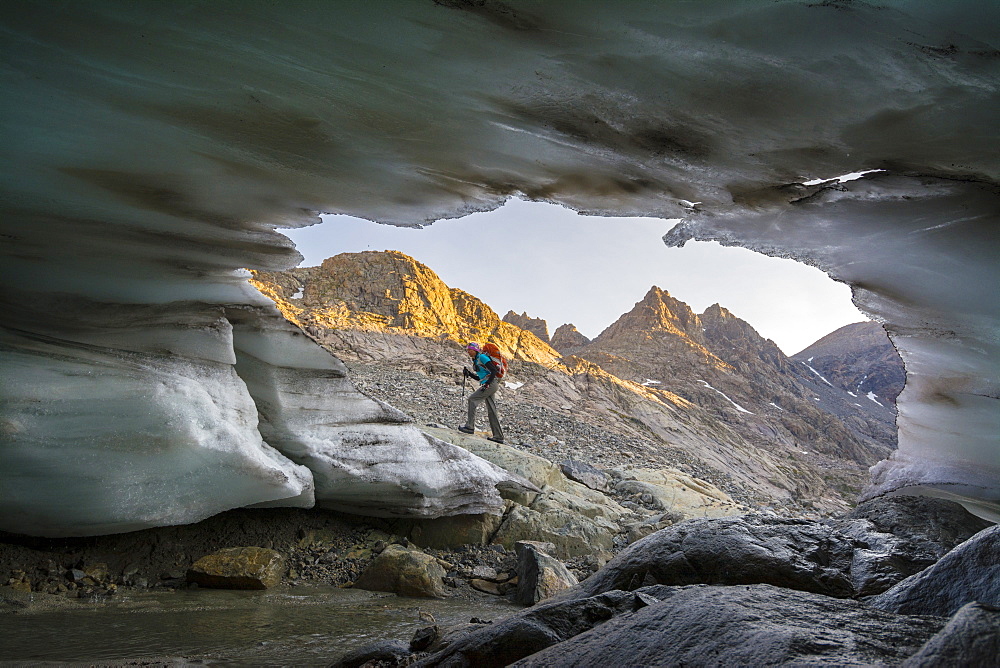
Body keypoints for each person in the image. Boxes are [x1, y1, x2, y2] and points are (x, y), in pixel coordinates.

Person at [458, 342, 505, 444]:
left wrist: (487, 384)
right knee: (492, 410)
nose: (468, 351)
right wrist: (469, 374)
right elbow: (480, 377)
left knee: (472, 399)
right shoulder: (476, 360)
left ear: (475, 350)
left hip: (491, 384)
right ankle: (498, 436)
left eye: (470, 350)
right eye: (467, 350)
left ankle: (470, 427)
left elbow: (493, 370)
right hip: (490, 384)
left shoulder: (482, 357)